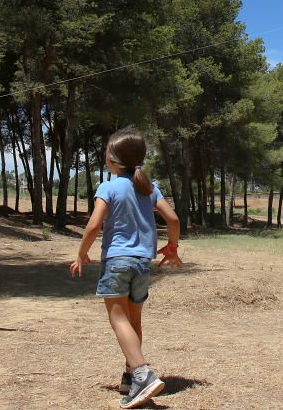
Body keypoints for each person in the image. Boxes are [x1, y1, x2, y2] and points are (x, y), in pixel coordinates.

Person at [70, 127, 182, 410]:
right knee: (134, 321)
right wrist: (172, 247)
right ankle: (131, 377)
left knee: (118, 319)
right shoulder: (149, 187)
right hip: (143, 264)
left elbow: (94, 225)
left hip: (117, 261)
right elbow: (173, 219)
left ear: (111, 160)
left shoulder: (108, 187)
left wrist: (81, 254)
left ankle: (143, 375)